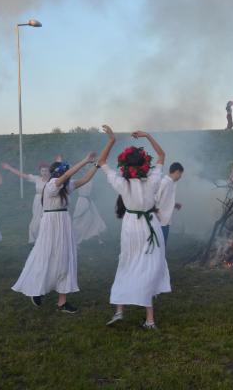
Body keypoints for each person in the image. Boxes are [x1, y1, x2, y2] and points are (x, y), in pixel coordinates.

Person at [97, 126, 170, 329]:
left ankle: (120, 311)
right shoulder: (154, 178)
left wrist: (112, 140)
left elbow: (101, 162)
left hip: (131, 226)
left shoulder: (121, 183)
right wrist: (147, 135)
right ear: (145, 164)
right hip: (149, 226)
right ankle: (149, 319)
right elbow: (162, 154)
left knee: (127, 263)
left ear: (124, 165)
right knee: (148, 267)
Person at [12, 149, 102, 313]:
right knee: (45, 256)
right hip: (51, 224)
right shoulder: (52, 185)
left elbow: (84, 179)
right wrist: (85, 160)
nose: (67, 176)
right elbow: (66, 176)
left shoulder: (65, 187)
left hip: (64, 223)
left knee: (65, 258)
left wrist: (96, 166)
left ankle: (62, 302)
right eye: (64, 173)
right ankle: (36, 289)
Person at [2, 162, 50, 243]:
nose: (44, 173)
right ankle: (35, 238)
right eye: (42, 171)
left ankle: (47, 237)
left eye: (46, 171)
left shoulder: (52, 180)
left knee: (46, 218)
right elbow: (23, 175)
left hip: (48, 201)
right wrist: (9, 168)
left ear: (49, 171)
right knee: (36, 220)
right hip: (38, 202)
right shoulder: (37, 178)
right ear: (40, 171)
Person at [156, 162, 184, 244]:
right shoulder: (164, 182)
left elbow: (165, 199)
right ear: (177, 172)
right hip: (159, 220)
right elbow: (155, 198)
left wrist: (175, 204)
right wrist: (155, 213)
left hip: (166, 220)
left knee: (162, 244)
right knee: (159, 245)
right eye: (180, 174)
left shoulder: (171, 183)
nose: (180, 177)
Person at [72, 178, 107, 245]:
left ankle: (94, 234)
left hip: (87, 200)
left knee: (93, 219)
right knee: (80, 220)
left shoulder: (90, 180)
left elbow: (93, 191)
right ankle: (78, 238)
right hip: (82, 201)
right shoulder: (78, 180)